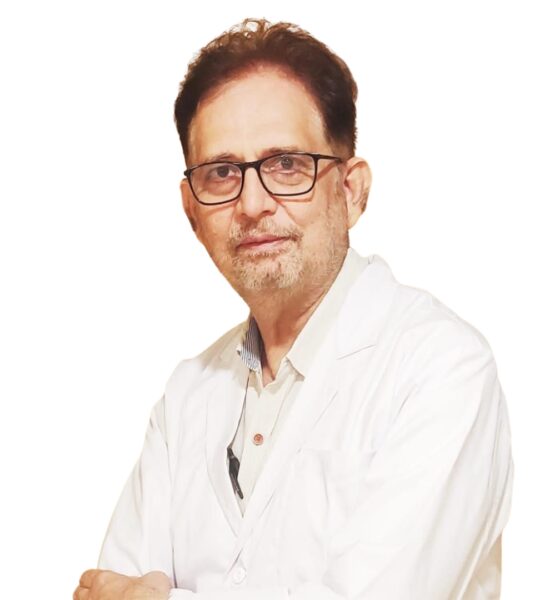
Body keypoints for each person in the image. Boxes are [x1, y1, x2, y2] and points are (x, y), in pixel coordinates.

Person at [74, 18, 513, 600]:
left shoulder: (440, 369)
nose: (253, 203)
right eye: (222, 172)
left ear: (351, 190)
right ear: (191, 210)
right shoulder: (186, 398)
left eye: (286, 164)